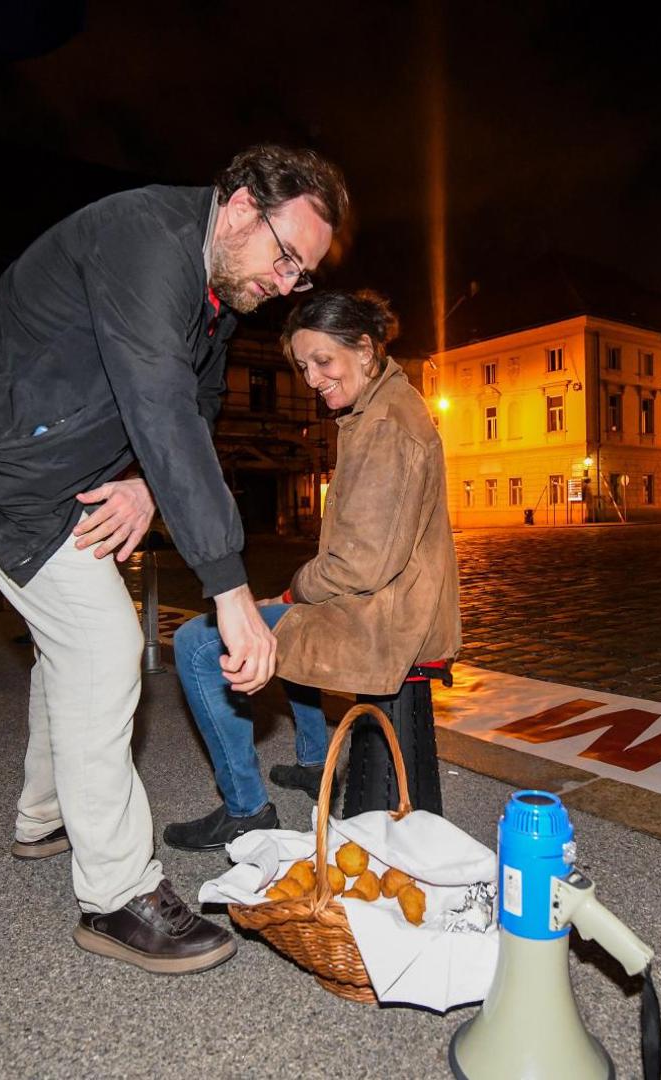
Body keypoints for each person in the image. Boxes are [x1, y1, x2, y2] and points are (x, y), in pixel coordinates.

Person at [0, 144, 348, 975]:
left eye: (304, 273)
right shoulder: (144, 239)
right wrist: (226, 585)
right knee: (107, 645)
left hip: (62, 465)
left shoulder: (217, 294)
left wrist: (145, 488)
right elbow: (156, 400)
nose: (288, 283)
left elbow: (198, 400)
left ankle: (46, 814)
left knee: (69, 641)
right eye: (287, 257)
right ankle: (115, 895)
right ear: (237, 208)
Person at [165, 291, 460, 847]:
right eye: (302, 367)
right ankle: (311, 758)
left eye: (323, 361)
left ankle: (246, 808)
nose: (312, 378)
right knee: (284, 616)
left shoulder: (385, 427)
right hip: (395, 606)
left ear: (365, 349)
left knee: (198, 644)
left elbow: (360, 564)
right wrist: (300, 593)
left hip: (384, 623)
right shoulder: (380, 407)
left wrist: (299, 587)